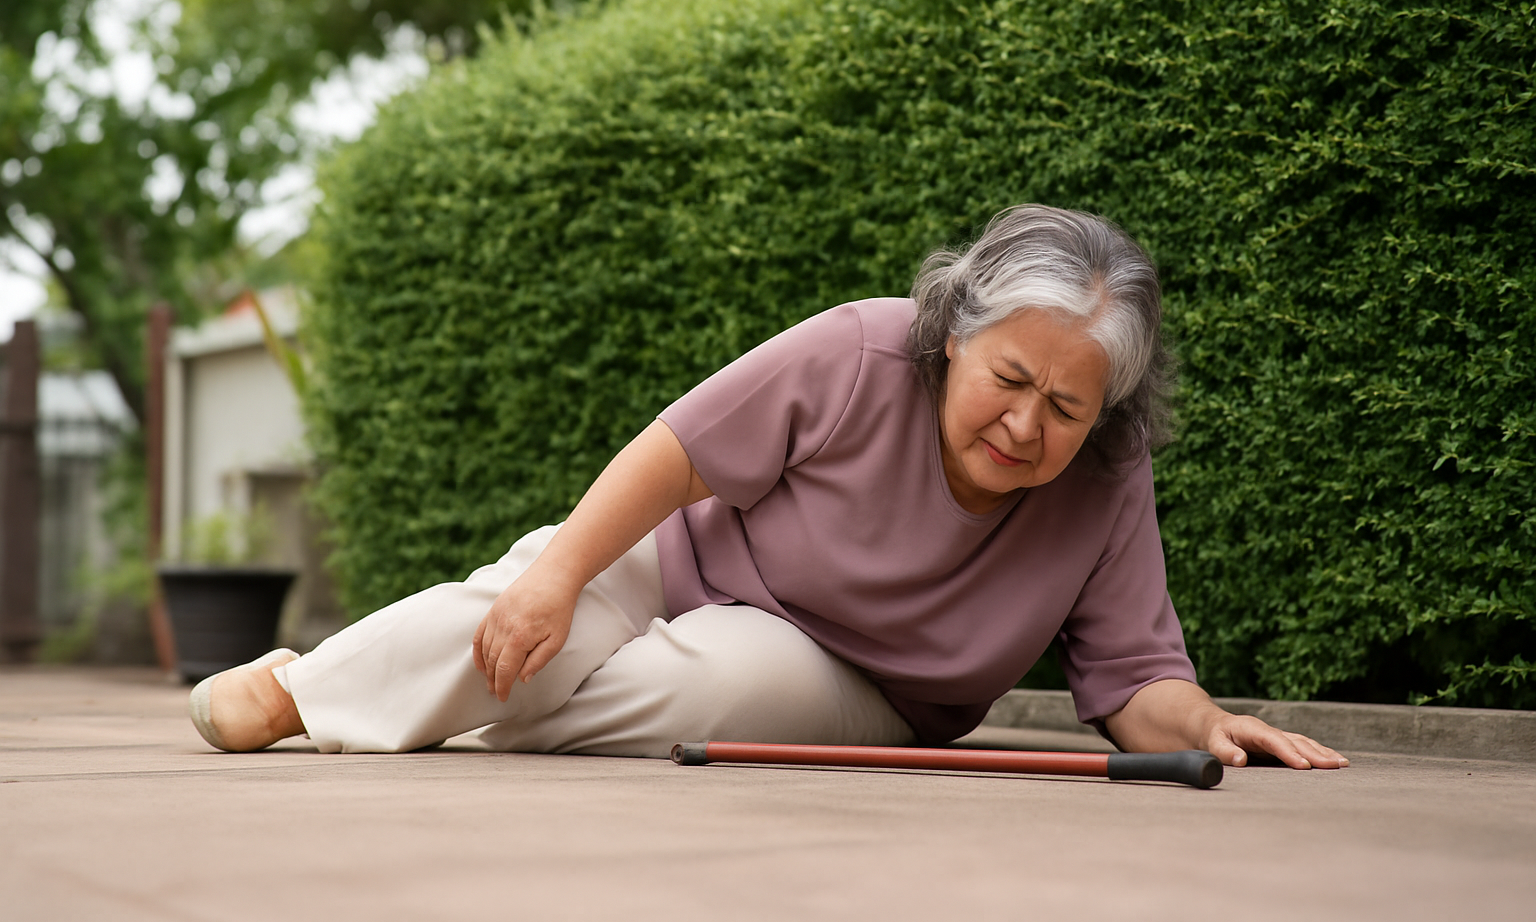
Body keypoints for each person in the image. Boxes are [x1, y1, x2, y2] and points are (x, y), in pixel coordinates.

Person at [190, 204, 1348, 770]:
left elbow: (1136, 677)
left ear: (1107, 410)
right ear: (955, 336)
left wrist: (1201, 723)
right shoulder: (863, 347)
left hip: (856, 674)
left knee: (700, 687)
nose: (1026, 423)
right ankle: (300, 694)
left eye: (1066, 404)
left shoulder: (1106, 474)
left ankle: (406, 699)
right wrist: (559, 574)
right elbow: (679, 449)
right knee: (534, 605)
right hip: (690, 552)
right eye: (1009, 380)